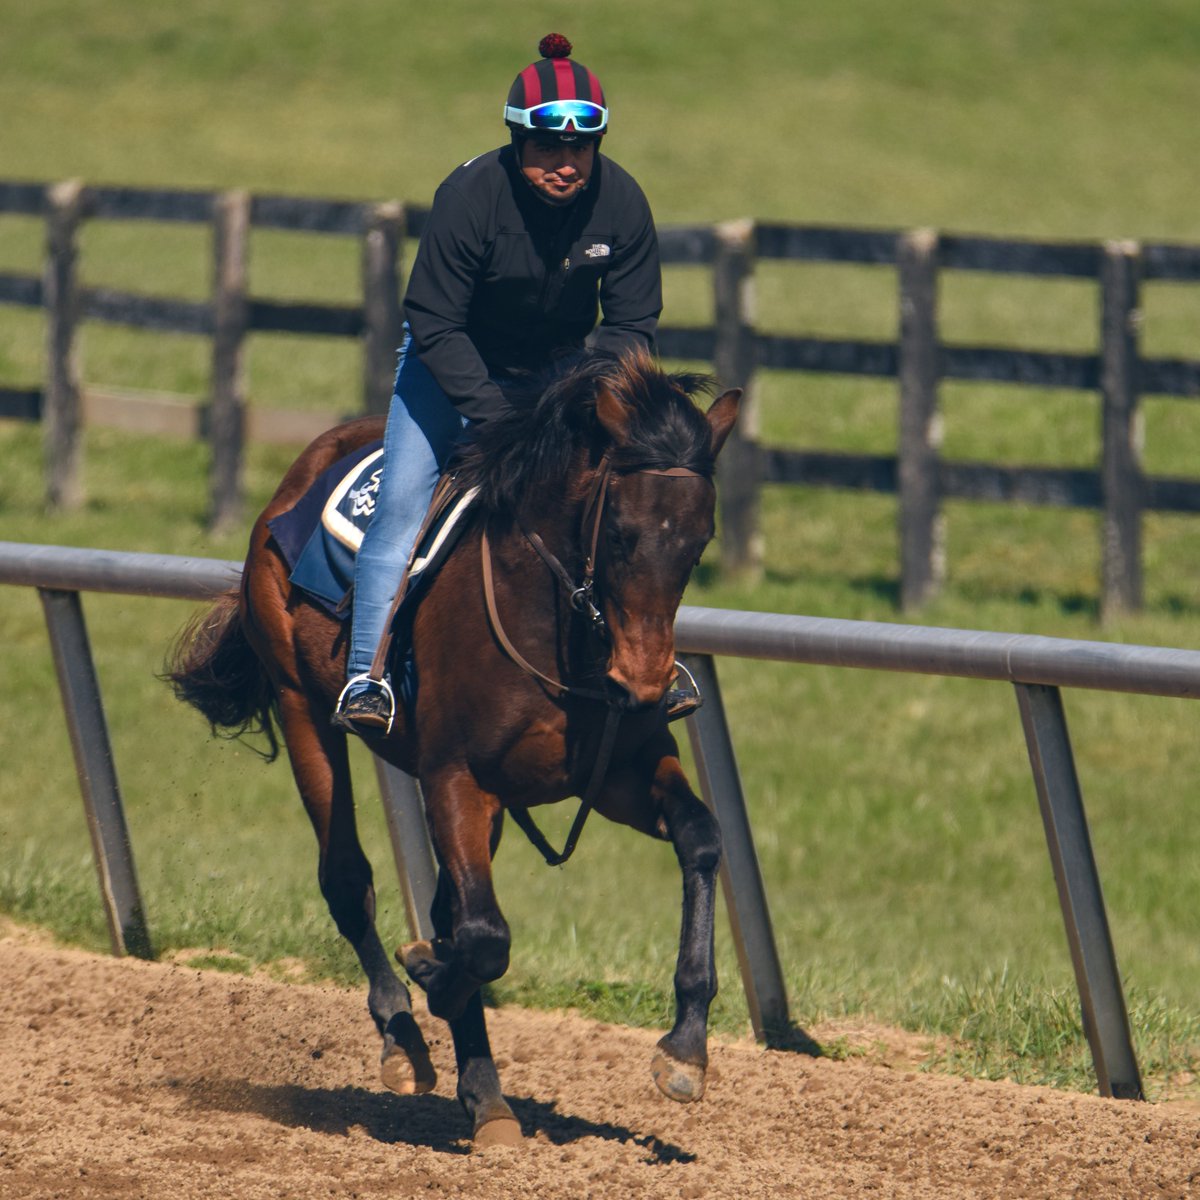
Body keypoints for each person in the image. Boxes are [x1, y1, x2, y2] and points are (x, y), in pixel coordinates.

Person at [333, 33, 666, 736]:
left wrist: (578, 390)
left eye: (582, 148)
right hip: (449, 364)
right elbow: (433, 320)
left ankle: (641, 660)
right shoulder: (469, 196)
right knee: (400, 508)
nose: (566, 164)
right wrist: (492, 415)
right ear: (516, 140)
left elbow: (634, 322)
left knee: (621, 509)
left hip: (559, 376)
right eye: (548, 147)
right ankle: (366, 677)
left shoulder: (625, 202)